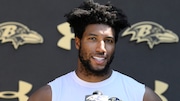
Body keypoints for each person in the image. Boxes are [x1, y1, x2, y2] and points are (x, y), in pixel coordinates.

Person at [28, 0, 162, 101]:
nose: (101, 48)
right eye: (93, 39)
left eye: (108, 41)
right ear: (78, 42)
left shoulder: (141, 96)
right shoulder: (49, 96)